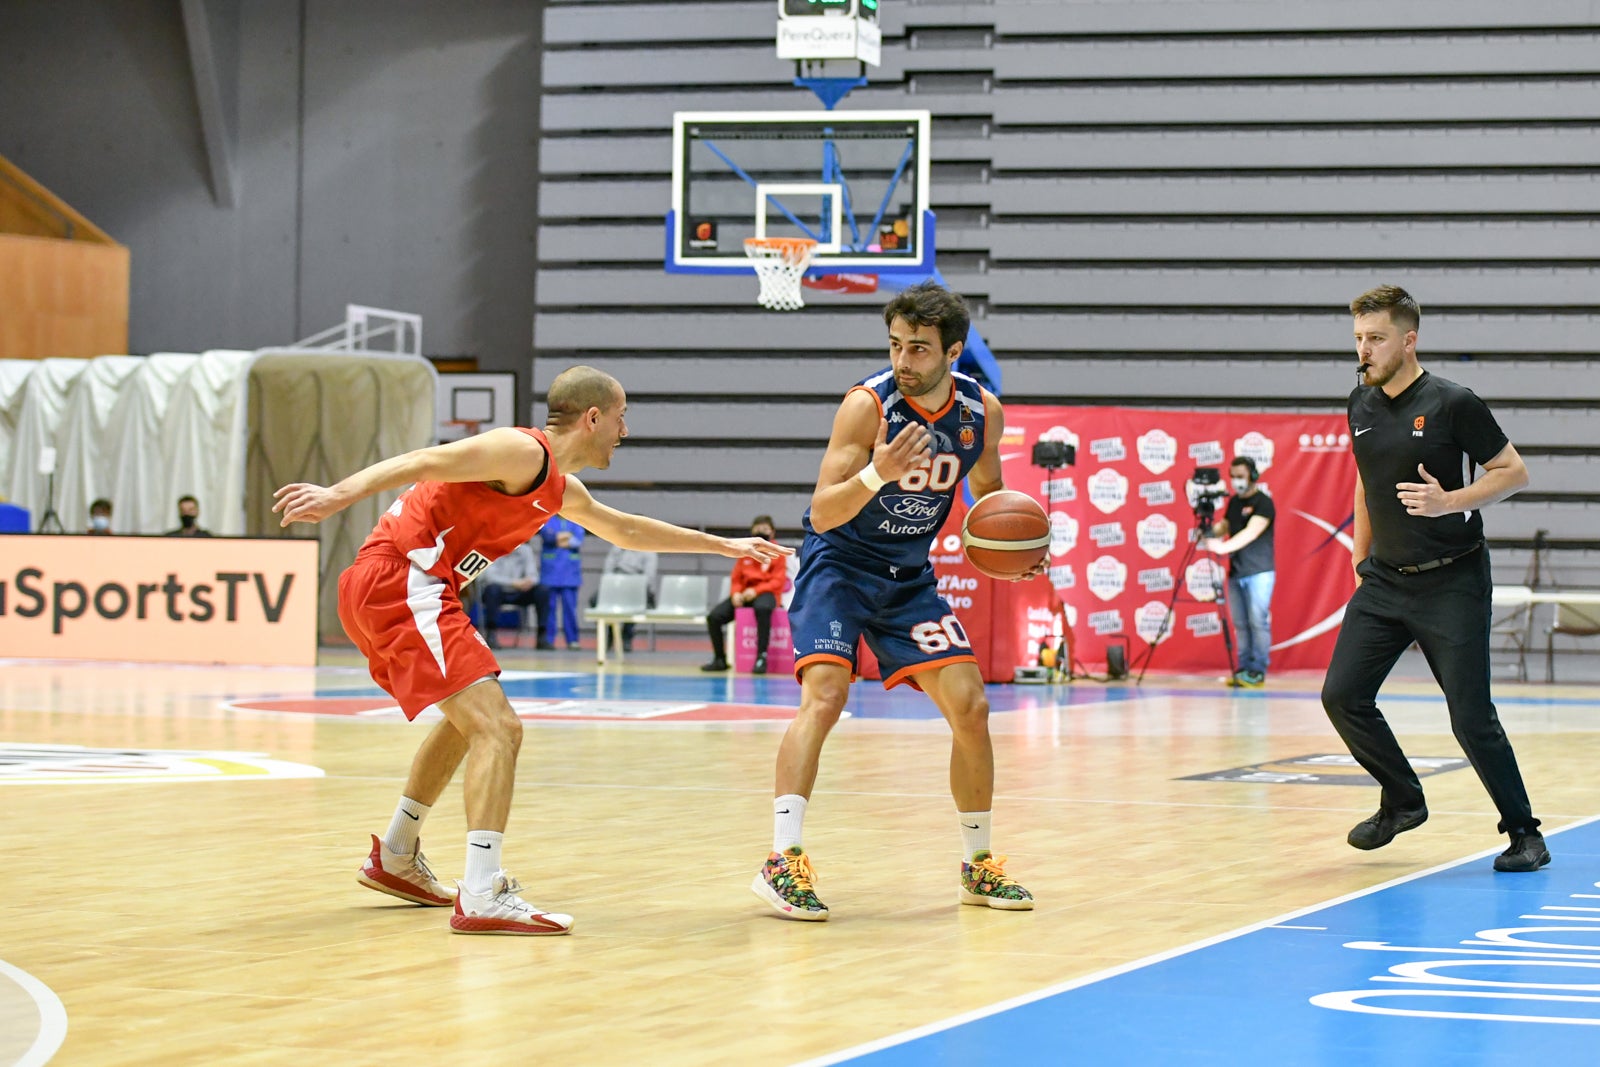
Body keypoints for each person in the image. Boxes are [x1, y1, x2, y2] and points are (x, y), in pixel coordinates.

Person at [273, 365, 791, 935]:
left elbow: (628, 530)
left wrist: (724, 546)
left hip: (411, 589)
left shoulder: (559, 486)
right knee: (500, 729)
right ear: (593, 417)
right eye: (621, 419)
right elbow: (423, 459)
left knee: (469, 722)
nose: (625, 432)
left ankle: (396, 854)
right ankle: (482, 892)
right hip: (402, 581)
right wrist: (336, 494)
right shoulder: (521, 451)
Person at [752, 281, 1042, 922]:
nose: (904, 360)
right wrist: (877, 472)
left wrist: (1010, 553)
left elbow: (988, 503)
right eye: (895, 345)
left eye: (918, 349)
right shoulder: (868, 407)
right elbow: (824, 512)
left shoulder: (981, 413)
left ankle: (978, 866)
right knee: (824, 694)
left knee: (971, 705)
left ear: (953, 352)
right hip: (839, 566)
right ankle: (781, 861)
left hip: (908, 578)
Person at [1322, 285, 1547, 873]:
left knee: (1470, 716)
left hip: (1453, 582)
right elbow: (1364, 482)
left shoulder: (1453, 403)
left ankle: (1525, 833)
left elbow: (1513, 471)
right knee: (1342, 695)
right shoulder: (1360, 403)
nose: (1364, 350)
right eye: (1358, 339)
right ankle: (1402, 800)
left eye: (1375, 339)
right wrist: (1359, 555)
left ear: (1409, 339)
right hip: (1384, 582)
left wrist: (1451, 501)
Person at [1203, 457, 1275, 687]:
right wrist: (1207, 530)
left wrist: (1222, 547)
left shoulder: (1264, 503)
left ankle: (1257, 671)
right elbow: (1224, 525)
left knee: (1257, 621)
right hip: (1236, 572)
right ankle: (1243, 669)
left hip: (1259, 572)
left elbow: (1251, 532)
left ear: (1253, 476)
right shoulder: (1233, 502)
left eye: (1241, 476)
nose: (1236, 481)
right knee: (1241, 624)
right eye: (1233, 476)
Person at [702, 515, 785, 674]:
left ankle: (761, 657)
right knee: (714, 617)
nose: (761, 532)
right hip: (744, 595)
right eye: (758, 529)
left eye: (765, 529)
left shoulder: (778, 552)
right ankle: (719, 659)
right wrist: (735, 594)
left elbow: (777, 581)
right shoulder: (746, 550)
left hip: (766, 593)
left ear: (772, 532)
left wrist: (756, 591)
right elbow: (736, 577)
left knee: (762, 609)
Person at [477, 538, 546, 650]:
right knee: (492, 590)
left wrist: (528, 581)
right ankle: (491, 634)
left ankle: (542, 636)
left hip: (519, 593)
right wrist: (513, 583)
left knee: (542, 591)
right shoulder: (493, 549)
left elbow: (534, 576)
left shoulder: (526, 550)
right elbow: (489, 577)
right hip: (498, 593)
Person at [590, 544, 658, 652]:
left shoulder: (649, 551)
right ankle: (611, 632)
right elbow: (608, 569)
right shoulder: (618, 548)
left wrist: (632, 584)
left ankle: (627, 635)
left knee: (633, 602)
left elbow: (649, 577)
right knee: (594, 600)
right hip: (616, 583)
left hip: (636, 584)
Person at [538, 514, 584, 649]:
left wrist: (559, 538)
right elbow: (548, 537)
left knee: (570, 609)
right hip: (550, 572)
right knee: (549, 609)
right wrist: (566, 536)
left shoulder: (577, 520)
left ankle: (572, 640)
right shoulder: (547, 519)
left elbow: (577, 540)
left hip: (570, 574)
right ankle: (549, 640)